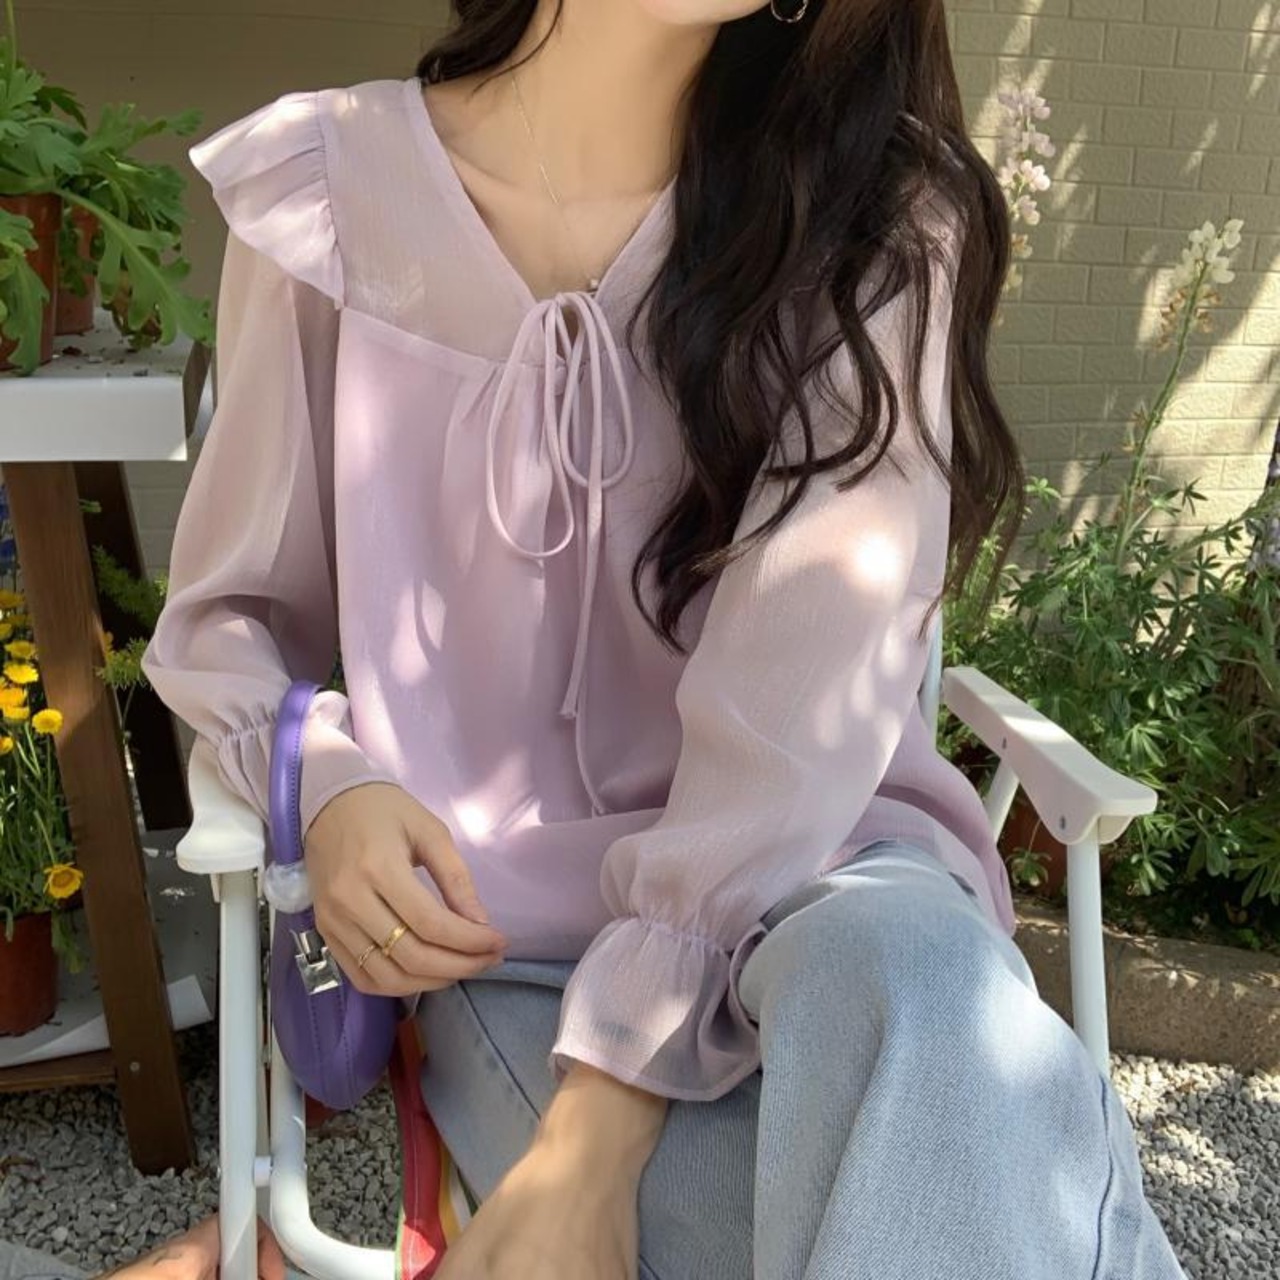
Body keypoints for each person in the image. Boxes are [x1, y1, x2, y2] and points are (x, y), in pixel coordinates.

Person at [140, 1, 1191, 1277]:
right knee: (975, 1185)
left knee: (928, 981)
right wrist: (329, 778)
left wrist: (600, 1121)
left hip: (822, 868)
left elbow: (796, 710)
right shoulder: (332, 198)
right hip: (519, 950)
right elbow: (231, 621)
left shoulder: (870, 220)